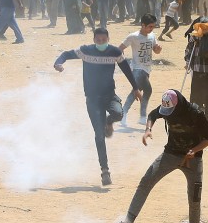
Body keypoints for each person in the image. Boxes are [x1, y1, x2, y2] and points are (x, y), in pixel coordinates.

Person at [108, 89, 208, 223]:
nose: (168, 114)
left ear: (179, 106)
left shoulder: (196, 113)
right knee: (146, 182)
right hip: (170, 154)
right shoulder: (166, 108)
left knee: (194, 199)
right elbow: (152, 115)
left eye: (171, 111)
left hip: (193, 160)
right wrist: (148, 129)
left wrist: (195, 150)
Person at [54, 28, 142, 185]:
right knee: (99, 135)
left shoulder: (114, 52)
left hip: (109, 96)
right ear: (94, 39)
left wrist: (135, 88)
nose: (101, 42)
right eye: (98, 40)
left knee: (119, 114)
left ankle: (109, 122)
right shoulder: (85, 51)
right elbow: (66, 54)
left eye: (104, 40)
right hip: (93, 100)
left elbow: (126, 69)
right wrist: (58, 63)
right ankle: (105, 171)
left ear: (108, 39)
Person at [119, 14, 162, 127]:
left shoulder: (152, 36)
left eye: (153, 26)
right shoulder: (133, 36)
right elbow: (120, 48)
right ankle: (136, 115)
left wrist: (158, 49)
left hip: (147, 69)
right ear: (143, 25)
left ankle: (132, 114)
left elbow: (156, 51)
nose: (151, 29)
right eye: (150, 26)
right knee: (142, 90)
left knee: (139, 92)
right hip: (138, 69)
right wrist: (123, 63)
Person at [185, 17, 208, 124]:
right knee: (196, 92)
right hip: (198, 68)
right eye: (203, 26)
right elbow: (189, 49)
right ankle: (195, 115)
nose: (205, 29)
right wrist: (187, 61)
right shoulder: (195, 35)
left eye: (207, 27)